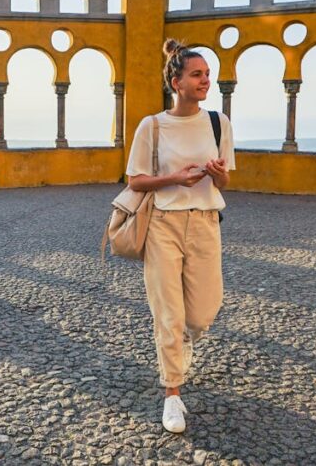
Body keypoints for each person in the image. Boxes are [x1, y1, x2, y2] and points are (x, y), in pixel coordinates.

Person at [125, 40, 236, 433]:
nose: (206, 80)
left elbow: (226, 179)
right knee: (168, 313)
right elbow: (135, 180)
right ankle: (172, 393)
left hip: (206, 221)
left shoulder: (218, 123)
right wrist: (176, 177)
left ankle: (183, 342)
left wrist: (217, 174)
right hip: (163, 224)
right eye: (197, 74)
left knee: (204, 310)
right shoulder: (152, 126)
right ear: (176, 82)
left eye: (207, 73)